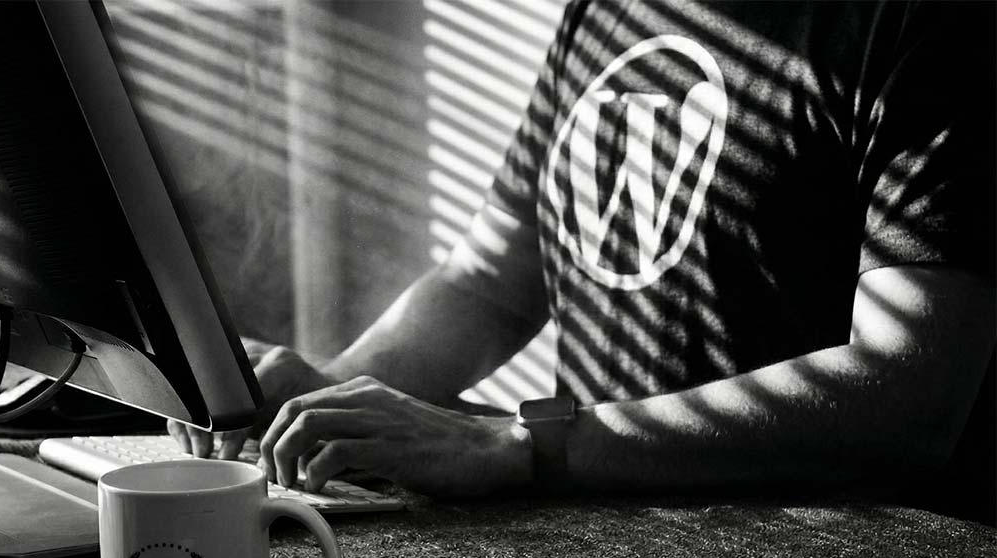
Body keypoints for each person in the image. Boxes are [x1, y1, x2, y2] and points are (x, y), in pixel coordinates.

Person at [171, 0, 995, 522]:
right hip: (608, 539)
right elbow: (490, 283)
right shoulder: (603, 11)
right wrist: (337, 397)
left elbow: (908, 397)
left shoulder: (932, 27)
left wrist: (524, 447)